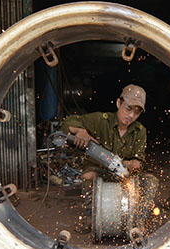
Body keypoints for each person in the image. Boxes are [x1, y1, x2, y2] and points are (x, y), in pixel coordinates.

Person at [60, 84, 156, 235]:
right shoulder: (100, 120)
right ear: (118, 103)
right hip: (100, 170)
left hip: (124, 173)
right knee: (89, 175)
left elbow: (139, 160)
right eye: (128, 109)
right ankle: (90, 216)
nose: (131, 115)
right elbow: (67, 122)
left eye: (136, 112)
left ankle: (138, 222)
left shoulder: (139, 130)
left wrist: (133, 164)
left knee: (150, 181)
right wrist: (80, 131)